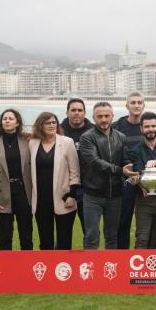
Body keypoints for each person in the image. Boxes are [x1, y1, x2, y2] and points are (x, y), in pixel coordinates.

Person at [29, 112, 80, 250]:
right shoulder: (32, 143)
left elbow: (75, 171)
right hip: (40, 200)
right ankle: (48, 269)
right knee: (45, 242)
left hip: (63, 198)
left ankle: (63, 270)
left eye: (54, 122)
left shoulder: (67, 142)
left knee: (64, 241)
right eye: (48, 123)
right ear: (40, 125)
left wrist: (72, 195)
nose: (52, 125)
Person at [0, 108, 33, 251]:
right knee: (5, 237)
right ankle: (5, 270)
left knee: (26, 236)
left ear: (17, 122)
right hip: (2, 194)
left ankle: (27, 268)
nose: (7, 121)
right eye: (4, 119)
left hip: (24, 193)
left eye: (11, 119)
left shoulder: (28, 141)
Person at [80, 102, 127, 250]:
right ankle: (89, 270)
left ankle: (109, 271)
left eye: (107, 116)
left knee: (112, 236)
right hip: (93, 195)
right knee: (92, 235)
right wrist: (121, 170)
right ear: (93, 118)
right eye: (100, 116)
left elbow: (126, 159)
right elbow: (95, 162)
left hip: (115, 195)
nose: (104, 119)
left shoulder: (121, 137)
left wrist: (132, 169)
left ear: (112, 117)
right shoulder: (87, 137)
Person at [123, 112, 156, 249]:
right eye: (147, 126)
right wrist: (142, 184)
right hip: (144, 200)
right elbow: (139, 170)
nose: (150, 129)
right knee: (142, 239)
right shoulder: (136, 150)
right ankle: (138, 269)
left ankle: (153, 270)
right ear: (141, 129)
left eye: (153, 126)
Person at [113, 92, 146, 249]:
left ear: (143, 105)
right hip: (125, 182)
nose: (136, 105)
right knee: (123, 222)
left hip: (146, 181)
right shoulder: (117, 126)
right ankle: (122, 256)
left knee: (145, 223)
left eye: (139, 102)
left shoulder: (148, 126)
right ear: (127, 106)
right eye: (133, 102)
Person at [60, 98, 94, 237]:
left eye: (80, 110)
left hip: (88, 189)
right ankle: (60, 258)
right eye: (73, 110)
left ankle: (91, 259)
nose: (76, 113)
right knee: (63, 233)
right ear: (67, 112)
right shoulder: (59, 132)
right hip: (65, 189)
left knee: (90, 232)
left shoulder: (93, 132)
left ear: (85, 113)